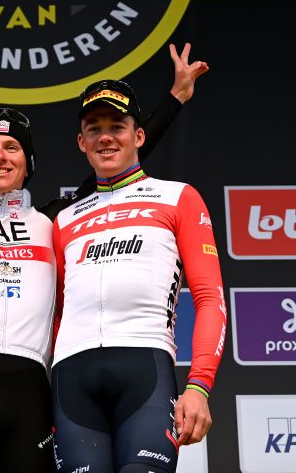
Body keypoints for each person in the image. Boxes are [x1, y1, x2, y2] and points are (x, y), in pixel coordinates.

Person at [0, 45, 209, 473]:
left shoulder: (53, 220)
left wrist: (175, 99)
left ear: (29, 161)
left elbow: (119, 160)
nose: (0, 156)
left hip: (32, 391)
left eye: (12, 147)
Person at [50, 78, 226, 473]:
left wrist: (199, 385)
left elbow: (209, 297)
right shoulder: (62, 220)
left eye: (117, 126)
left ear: (139, 135)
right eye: (94, 129)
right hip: (71, 380)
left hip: (145, 370)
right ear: (82, 142)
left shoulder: (178, 197)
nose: (106, 138)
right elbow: (56, 315)